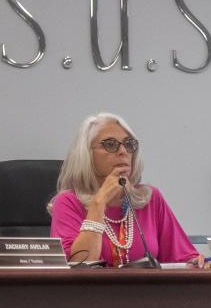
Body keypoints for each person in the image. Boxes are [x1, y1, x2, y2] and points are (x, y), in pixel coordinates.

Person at [49, 112, 202, 267]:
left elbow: (186, 259)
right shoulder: (69, 202)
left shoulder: (149, 198)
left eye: (129, 144)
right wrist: (99, 203)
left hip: (146, 291)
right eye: (110, 144)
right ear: (87, 153)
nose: (123, 151)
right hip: (93, 291)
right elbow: (78, 267)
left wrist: (196, 262)